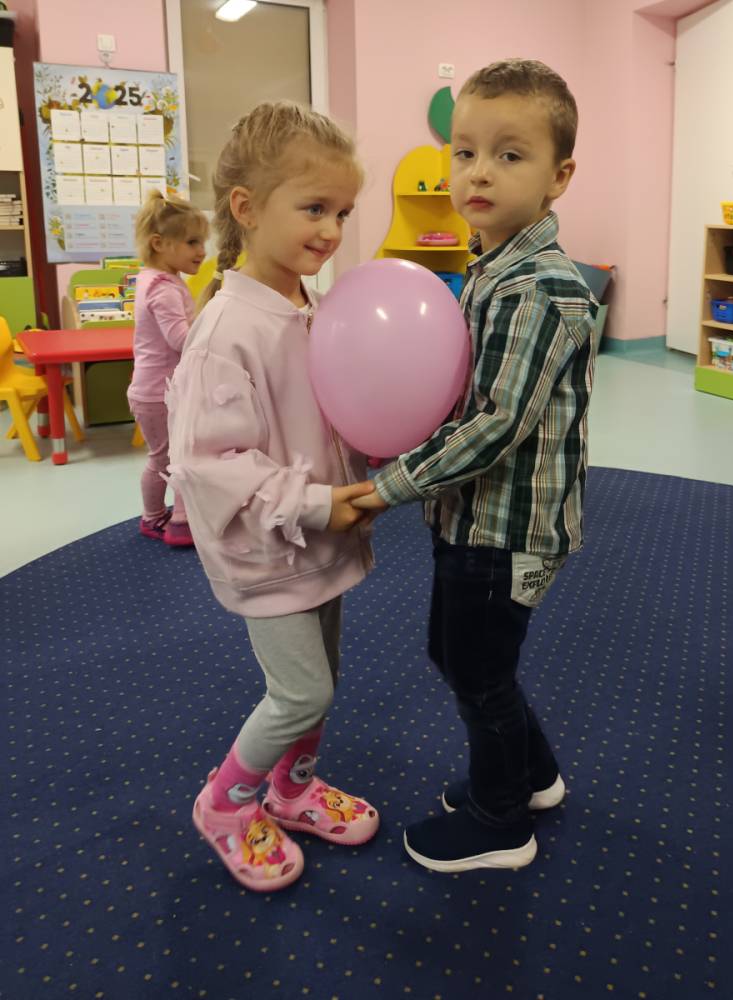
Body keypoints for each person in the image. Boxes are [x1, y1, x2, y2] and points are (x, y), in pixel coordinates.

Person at [352, 59, 599, 873]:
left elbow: (495, 425)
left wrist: (386, 487)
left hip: (507, 528)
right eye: (464, 152)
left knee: (479, 671)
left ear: (558, 176)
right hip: (472, 516)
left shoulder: (539, 289)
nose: (478, 172)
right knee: (460, 655)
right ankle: (533, 776)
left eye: (509, 154)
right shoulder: (489, 266)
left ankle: (500, 822)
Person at [166, 101, 379, 892]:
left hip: (318, 537)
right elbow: (210, 464)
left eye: (342, 213)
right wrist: (317, 502)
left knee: (322, 681)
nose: (331, 230)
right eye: (314, 207)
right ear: (247, 208)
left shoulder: (305, 309)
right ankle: (225, 805)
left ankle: (291, 791)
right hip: (269, 549)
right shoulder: (227, 329)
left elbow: (321, 415)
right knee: (300, 691)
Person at [127, 190, 207, 546]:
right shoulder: (163, 289)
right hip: (159, 393)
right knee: (171, 458)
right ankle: (166, 520)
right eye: (192, 242)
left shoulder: (155, 279)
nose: (202, 251)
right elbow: (180, 340)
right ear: (159, 243)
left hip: (156, 389)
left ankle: (166, 515)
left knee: (169, 456)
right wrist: (212, 331)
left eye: (202, 241)